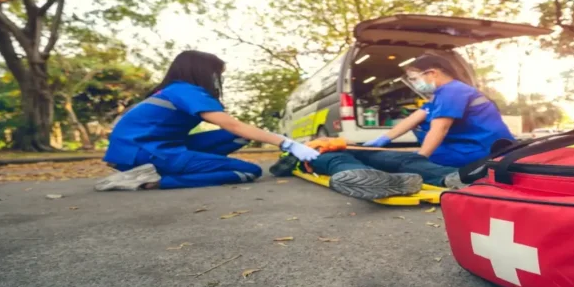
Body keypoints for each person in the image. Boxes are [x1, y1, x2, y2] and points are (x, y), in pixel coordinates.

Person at [95, 50, 319, 191]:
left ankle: (190, 165)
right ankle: (151, 180)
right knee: (248, 171)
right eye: (217, 74)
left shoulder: (174, 90)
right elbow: (232, 124)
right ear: (203, 72)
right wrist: (286, 143)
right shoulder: (186, 91)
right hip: (146, 153)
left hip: (144, 148)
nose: (218, 79)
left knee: (237, 136)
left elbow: (235, 130)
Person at [304, 54, 515, 199]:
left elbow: (439, 128)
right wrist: (381, 140)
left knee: (393, 160)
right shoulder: (441, 95)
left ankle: (436, 176)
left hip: (477, 153)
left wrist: (420, 157)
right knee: (373, 153)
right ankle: (382, 177)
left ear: (432, 73)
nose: (414, 83)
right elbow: (412, 120)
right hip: (468, 151)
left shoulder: (453, 91)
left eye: (414, 78)